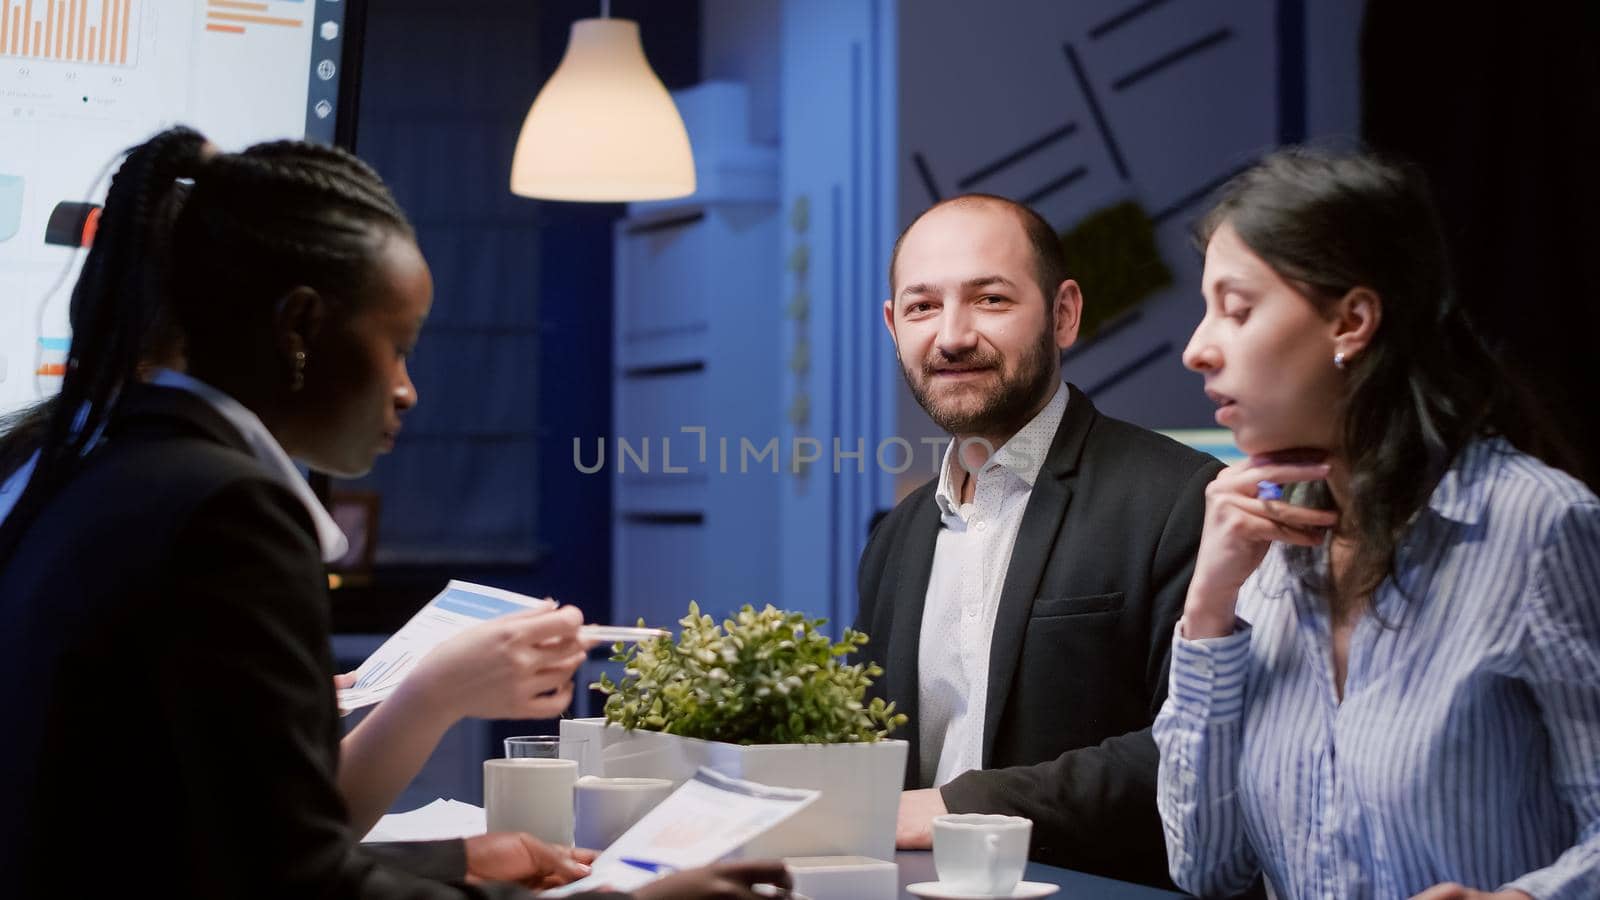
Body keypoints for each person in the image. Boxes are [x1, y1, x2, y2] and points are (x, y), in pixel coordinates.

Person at [0, 127, 789, 900]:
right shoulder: (230, 512)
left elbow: (207, 841)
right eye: (398, 346)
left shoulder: (90, 471)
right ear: (300, 328)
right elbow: (292, 881)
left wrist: (447, 864)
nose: (409, 389)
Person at [1155, 149, 1600, 899]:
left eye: (1237, 309)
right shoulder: (1258, 550)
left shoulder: (1539, 523)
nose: (1198, 348)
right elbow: (1205, 867)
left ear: (1352, 321)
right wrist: (1208, 613)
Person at [855, 193, 1223, 888]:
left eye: (990, 300)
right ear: (892, 325)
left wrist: (957, 809)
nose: (952, 335)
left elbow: (1197, 751)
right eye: (922, 307)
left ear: (1064, 314)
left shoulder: (1182, 500)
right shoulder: (894, 541)